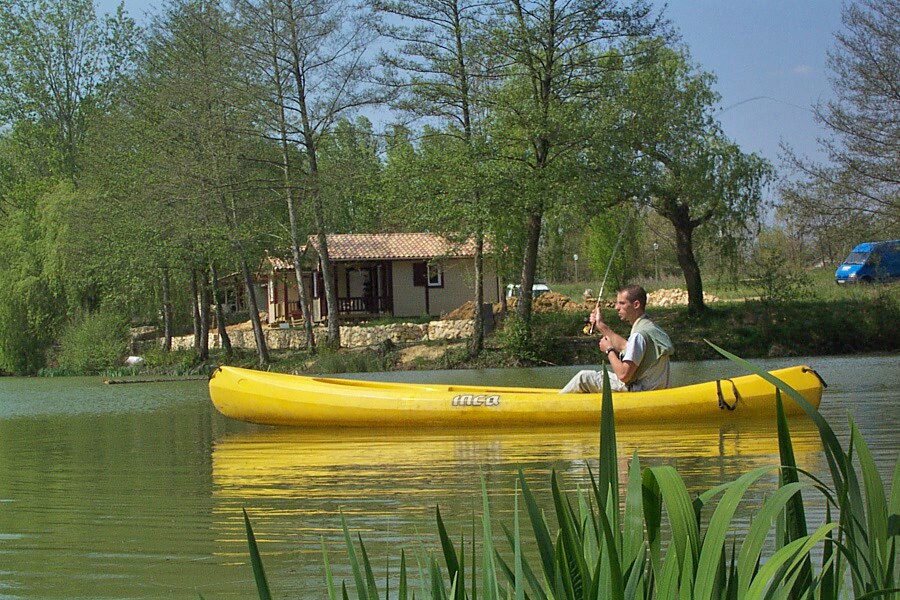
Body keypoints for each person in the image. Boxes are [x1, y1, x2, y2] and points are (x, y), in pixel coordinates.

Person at [560, 284, 673, 393]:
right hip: (653, 388)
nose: (616, 307)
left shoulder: (639, 335)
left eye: (622, 303)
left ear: (636, 304)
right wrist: (600, 325)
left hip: (639, 390)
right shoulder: (651, 328)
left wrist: (609, 350)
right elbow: (626, 347)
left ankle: (556, 405)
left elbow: (623, 375)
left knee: (583, 378)